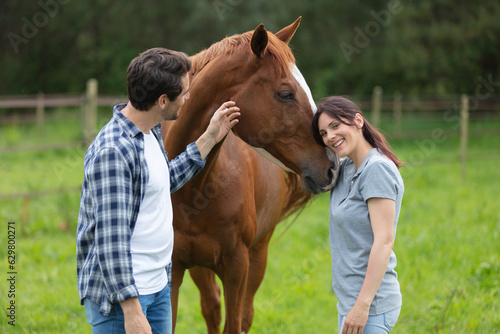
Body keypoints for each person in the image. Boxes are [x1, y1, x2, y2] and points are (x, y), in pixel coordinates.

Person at [76, 47, 240, 334]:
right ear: (163, 100)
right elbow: (110, 241)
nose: (188, 98)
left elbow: (163, 181)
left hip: (157, 286)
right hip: (124, 300)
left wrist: (210, 137)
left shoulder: (149, 132)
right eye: (185, 93)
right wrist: (132, 311)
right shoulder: (114, 151)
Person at [311, 96, 404, 334]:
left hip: (370, 305)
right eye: (323, 133)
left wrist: (362, 307)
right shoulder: (346, 168)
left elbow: (384, 241)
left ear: (358, 121)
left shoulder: (376, 169)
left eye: (335, 126)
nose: (330, 136)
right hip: (349, 303)